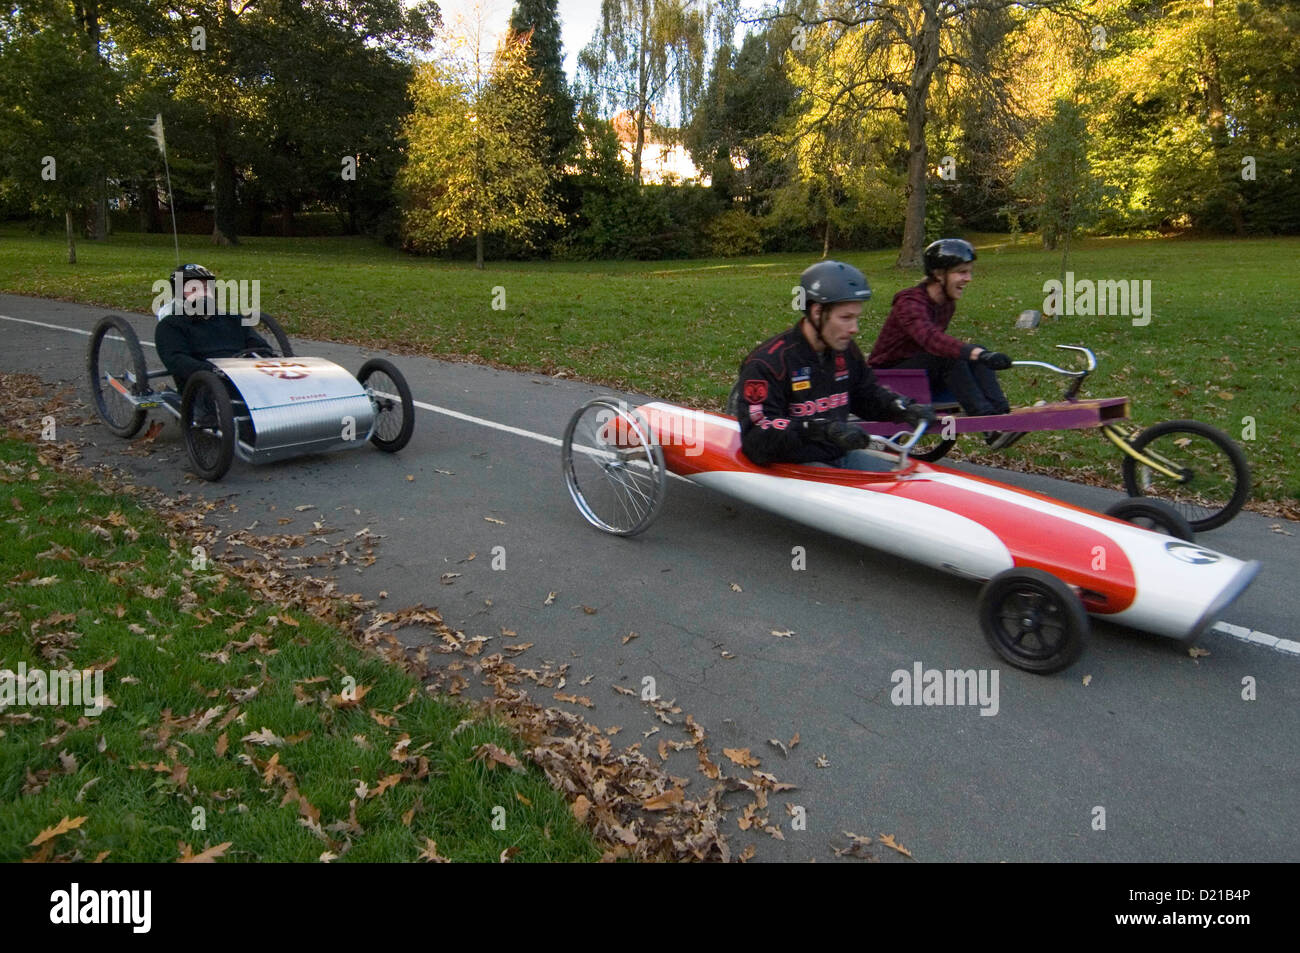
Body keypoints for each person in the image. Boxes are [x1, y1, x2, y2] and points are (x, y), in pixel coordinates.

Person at [736, 260, 936, 472]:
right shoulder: (768, 363)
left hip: (838, 455)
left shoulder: (845, 350)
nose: (854, 329)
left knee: (916, 478)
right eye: (846, 318)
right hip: (793, 465)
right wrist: (820, 429)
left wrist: (902, 407)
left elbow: (865, 396)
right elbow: (756, 437)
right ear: (817, 312)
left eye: (856, 318)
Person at [867, 238, 1022, 449]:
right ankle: (988, 426)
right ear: (939, 274)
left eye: (969, 272)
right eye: (961, 272)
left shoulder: (946, 305)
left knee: (978, 354)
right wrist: (972, 353)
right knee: (953, 356)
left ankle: (1001, 416)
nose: (968, 279)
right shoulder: (909, 302)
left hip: (920, 374)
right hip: (889, 376)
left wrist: (981, 355)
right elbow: (930, 339)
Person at [154, 263, 273, 393]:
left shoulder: (233, 319)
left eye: (206, 288)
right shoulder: (171, 325)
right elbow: (177, 361)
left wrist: (265, 359)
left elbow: (260, 347)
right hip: (205, 387)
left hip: (245, 379)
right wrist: (215, 370)